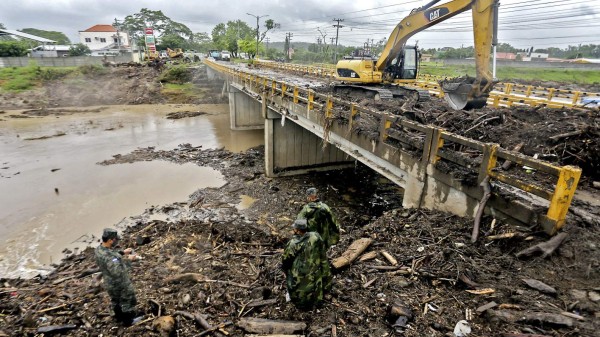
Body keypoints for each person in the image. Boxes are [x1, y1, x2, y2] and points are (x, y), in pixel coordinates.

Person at [282, 219, 332, 309]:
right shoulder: (315, 236)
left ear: (297, 230)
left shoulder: (293, 244)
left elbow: (286, 261)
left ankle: (300, 303)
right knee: (315, 284)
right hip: (315, 269)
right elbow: (322, 250)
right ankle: (316, 301)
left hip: (300, 273)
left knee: (294, 282)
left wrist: (286, 270)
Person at [95, 228, 139, 326]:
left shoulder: (99, 249)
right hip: (118, 283)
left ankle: (118, 316)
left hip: (108, 281)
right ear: (110, 240)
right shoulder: (110, 257)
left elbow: (110, 256)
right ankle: (129, 321)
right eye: (115, 239)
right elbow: (117, 272)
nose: (116, 241)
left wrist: (122, 253)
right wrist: (129, 260)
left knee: (115, 300)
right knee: (127, 299)